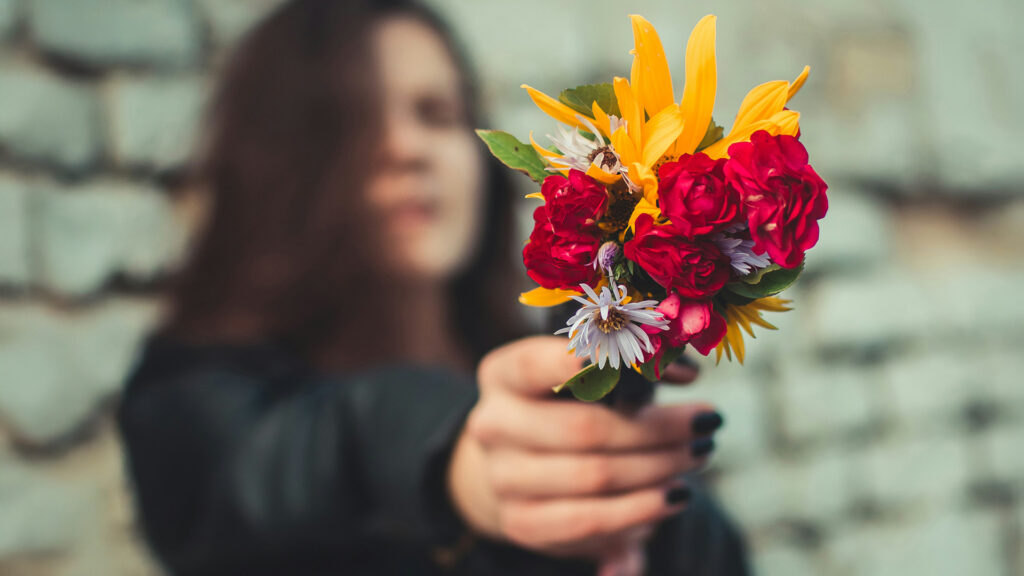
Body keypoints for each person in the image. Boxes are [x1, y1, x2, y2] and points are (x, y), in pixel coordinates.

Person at [117, 1, 750, 574]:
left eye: (437, 114)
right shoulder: (193, 400)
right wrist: (457, 461)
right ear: (278, 159)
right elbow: (304, 457)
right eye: (353, 120)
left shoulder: (551, 370)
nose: (406, 150)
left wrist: (642, 503)